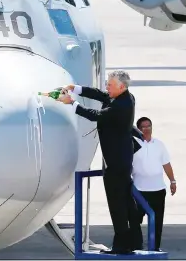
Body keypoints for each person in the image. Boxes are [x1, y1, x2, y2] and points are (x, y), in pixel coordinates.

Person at [57, 70, 142, 254]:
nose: (106, 88)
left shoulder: (121, 106)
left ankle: (121, 246)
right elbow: (100, 94)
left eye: (110, 85)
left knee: (117, 204)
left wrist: (71, 103)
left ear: (121, 86)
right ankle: (133, 241)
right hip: (122, 160)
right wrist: (76, 89)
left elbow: (95, 114)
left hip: (116, 164)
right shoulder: (123, 97)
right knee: (126, 201)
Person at [132, 116, 176, 251]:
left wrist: (172, 181)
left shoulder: (159, 144)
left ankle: (154, 248)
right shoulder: (133, 144)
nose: (147, 129)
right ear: (138, 129)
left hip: (157, 190)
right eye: (143, 127)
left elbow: (166, 164)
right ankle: (136, 246)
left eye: (149, 126)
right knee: (134, 221)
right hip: (139, 190)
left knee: (157, 222)